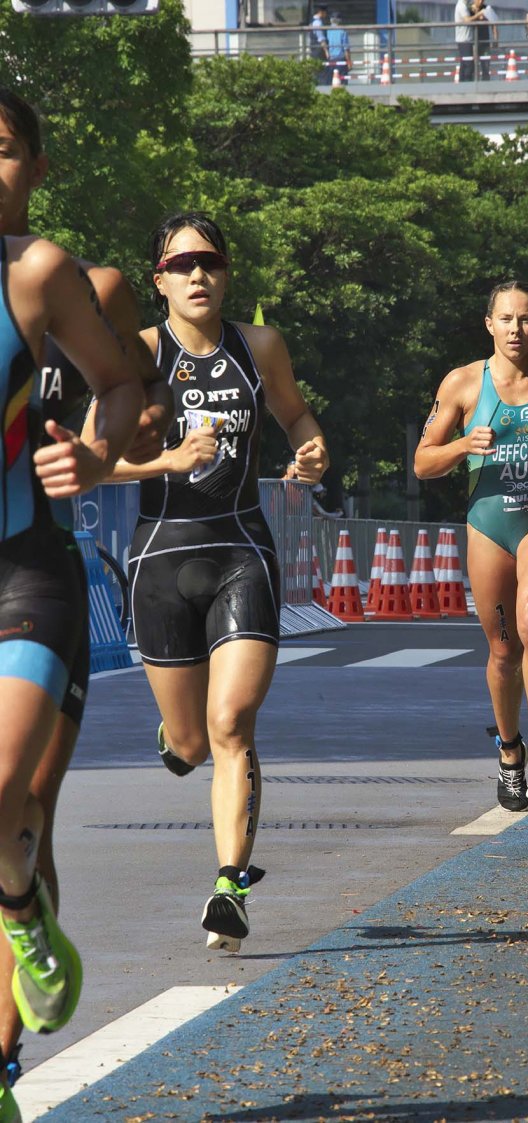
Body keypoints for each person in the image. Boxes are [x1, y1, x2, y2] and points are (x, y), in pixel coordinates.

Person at [87, 212, 328, 955]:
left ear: (226, 275)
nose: (198, 274)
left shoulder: (258, 346)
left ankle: (231, 884)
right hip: (160, 558)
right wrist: (164, 461)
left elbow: (293, 411)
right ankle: (176, 733)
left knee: (233, 724)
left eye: (210, 262)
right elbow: (93, 460)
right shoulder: (137, 355)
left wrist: (311, 447)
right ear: (157, 280)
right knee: (192, 740)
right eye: (181, 263)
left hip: (241, 549)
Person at [0, 87, 171, 1121]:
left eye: (5, 148)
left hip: (29, 568)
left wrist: (97, 454)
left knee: (16, 795)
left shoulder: (44, 276)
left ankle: (19, 917)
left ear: (35, 167)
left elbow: (122, 385)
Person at [414, 281, 528, 813]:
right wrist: (465, 444)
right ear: (489, 324)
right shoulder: (464, 383)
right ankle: (508, 752)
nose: (516, 329)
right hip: (488, 525)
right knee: (503, 647)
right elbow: (422, 462)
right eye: (506, 319)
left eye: (526, 319)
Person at [455, 0, 485, 81]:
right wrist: (478, 14)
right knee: (469, 64)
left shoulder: (465, 5)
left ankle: (462, 84)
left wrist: (475, 12)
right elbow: (467, 20)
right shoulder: (462, 6)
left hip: (466, 39)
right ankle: (467, 83)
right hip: (464, 40)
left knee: (464, 64)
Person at [326, 12, 352, 84]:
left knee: (331, 80)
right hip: (340, 58)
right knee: (342, 80)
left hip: (331, 59)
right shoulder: (342, 31)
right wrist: (349, 61)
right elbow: (346, 48)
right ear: (339, 20)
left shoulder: (327, 31)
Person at [309, 3, 330, 84]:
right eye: (325, 13)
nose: (326, 15)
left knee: (316, 69)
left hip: (313, 48)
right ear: (322, 12)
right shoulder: (318, 23)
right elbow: (321, 39)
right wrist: (326, 51)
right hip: (318, 50)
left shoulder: (312, 21)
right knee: (322, 70)